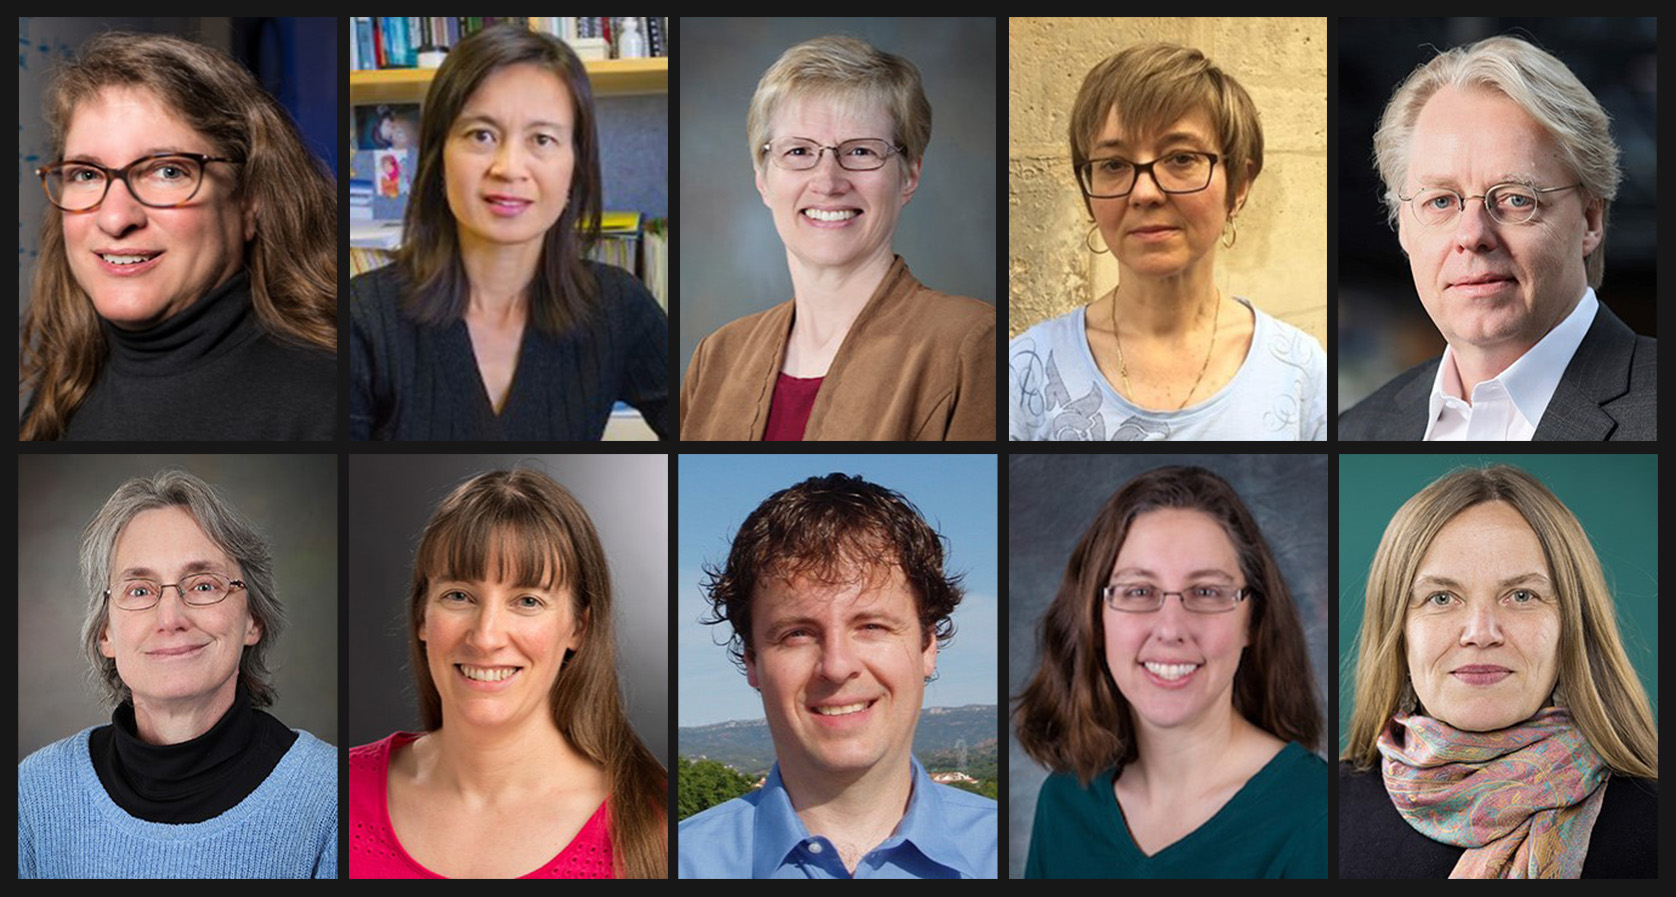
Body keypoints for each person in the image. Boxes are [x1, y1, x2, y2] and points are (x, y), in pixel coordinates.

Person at [351, 26, 669, 441]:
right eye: (481, 135)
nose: (509, 167)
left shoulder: (618, 306)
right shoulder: (361, 316)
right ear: (437, 157)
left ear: (575, 164)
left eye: (542, 139)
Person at [1339, 465, 1657, 878]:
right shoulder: (1320, 809)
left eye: (1521, 595)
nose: (1480, 633)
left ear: (1572, 628)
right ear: (1398, 630)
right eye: (1441, 598)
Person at [19, 32, 337, 441]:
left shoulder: (326, 403)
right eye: (87, 174)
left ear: (249, 201)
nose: (115, 218)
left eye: (168, 171)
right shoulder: (62, 388)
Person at [17, 470, 337, 877]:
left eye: (203, 585)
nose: (171, 618)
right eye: (140, 590)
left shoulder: (331, 798)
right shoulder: (32, 796)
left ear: (252, 619)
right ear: (106, 634)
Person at [348, 469, 666, 878]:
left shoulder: (658, 825)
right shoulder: (335, 791)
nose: (486, 637)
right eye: (459, 596)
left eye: (527, 601)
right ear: (422, 617)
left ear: (578, 628)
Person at [679, 36, 995, 441]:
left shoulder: (970, 345)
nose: (828, 181)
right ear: (762, 178)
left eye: (861, 151)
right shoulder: (717, 357)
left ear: (909, 175)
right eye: (798, 152)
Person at [1339, 37, 1656, 440]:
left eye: (1515, 199)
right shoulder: (1358, 430)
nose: (1472, 235)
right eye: (1440, 201)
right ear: (1402, 225)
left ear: (1590, 220)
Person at [1014, 466, 1325, 877]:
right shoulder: (1065, 803)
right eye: (1139, 591)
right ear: (1095, 617)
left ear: (1253, 620)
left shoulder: (1317, 811)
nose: (1171, 629)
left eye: (1207, 592)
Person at [681, 473, 997, 877]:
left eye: (871, 627)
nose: (836, 665)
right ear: (752, 661)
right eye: (797, 634)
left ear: (928, 646)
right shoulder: (680, 862)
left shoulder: (1014, 853)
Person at [1009, 44, 1326, 442]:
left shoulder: (1300, 370)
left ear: (1239, 184)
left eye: (1180, 159)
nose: (1144, 192)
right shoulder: (1025, 369)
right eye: (1114, 165)